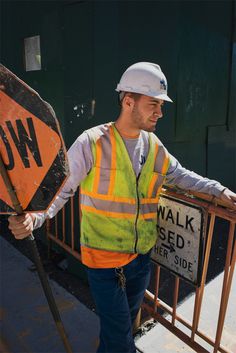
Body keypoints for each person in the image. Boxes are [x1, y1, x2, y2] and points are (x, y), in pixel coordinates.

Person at [8, 62, 236, 353]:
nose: (160, 113)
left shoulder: (153, 146)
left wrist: (218, 189)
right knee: (121, 341)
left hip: (140, 260)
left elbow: (180, 175)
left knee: (122, 326)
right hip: (103, 262)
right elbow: (62, 191)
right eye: (154, 104)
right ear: (129, 101)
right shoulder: (91, 142)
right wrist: (35, 219)